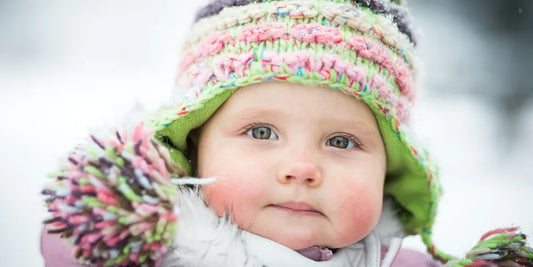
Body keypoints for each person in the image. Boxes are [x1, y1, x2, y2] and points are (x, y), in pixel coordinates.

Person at [41, 0, 533, 266]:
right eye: (260, 131)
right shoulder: (154, 252)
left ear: (390, 167)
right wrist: (109, 219)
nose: (301, 168)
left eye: (341, 142)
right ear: (194, 147)